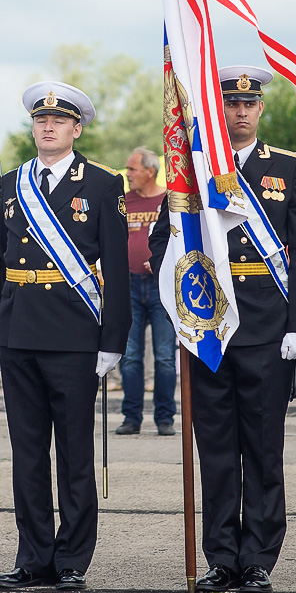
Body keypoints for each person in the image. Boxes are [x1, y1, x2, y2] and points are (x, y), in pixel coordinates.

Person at [149, 65, 296, 593]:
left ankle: (259, 558)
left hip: (269, 326)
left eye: (249, 104)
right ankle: (222, 556)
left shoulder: (288, 167)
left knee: (264, 448)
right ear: (217, 109)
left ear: (261, 109)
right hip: (209, 326)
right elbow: (163, 244)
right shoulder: (192, 170)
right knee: (217, 449)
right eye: (230, 103)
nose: (240, 111)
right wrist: (184, 304)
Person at [0, 81, 130, 592]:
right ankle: (33, 556)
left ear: (76, 128)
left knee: (73, 453)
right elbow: (1, 260)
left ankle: (71, 559)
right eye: (41, 121)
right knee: (27, 453)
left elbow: (118, 267)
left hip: (73, 333)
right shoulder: (11, 181)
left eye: (60, 121)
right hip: (19, 330)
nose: (48, 127)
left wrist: (114, 339)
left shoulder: (105, 183)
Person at [115, 146, 175, 437]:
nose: (127, 174)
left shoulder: (169, 199)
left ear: (150, 171)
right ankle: (131, 417)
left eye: (132, 169)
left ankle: (165, 417)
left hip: (160, 286)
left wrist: (163, 260)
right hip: (127, 284)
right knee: (130, 355)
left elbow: (180, 238)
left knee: (164, 355)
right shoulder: (122, 202)